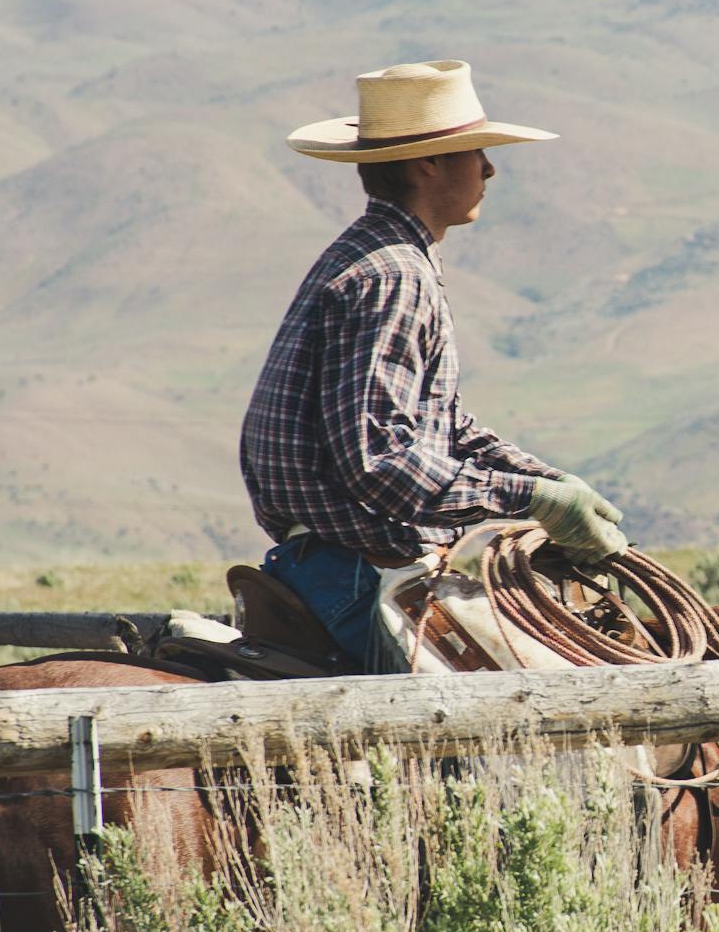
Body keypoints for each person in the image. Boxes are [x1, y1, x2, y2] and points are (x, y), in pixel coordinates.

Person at [240, 60, 626, 669]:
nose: (491, 169)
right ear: (430, 163)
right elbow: (379, 460)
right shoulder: (394, 274)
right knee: (531, 718)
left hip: (337, 561)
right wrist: (533, 500)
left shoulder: (375, 257)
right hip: (360, 569)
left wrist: (549, 483)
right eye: (477, 152)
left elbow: (440, 426)